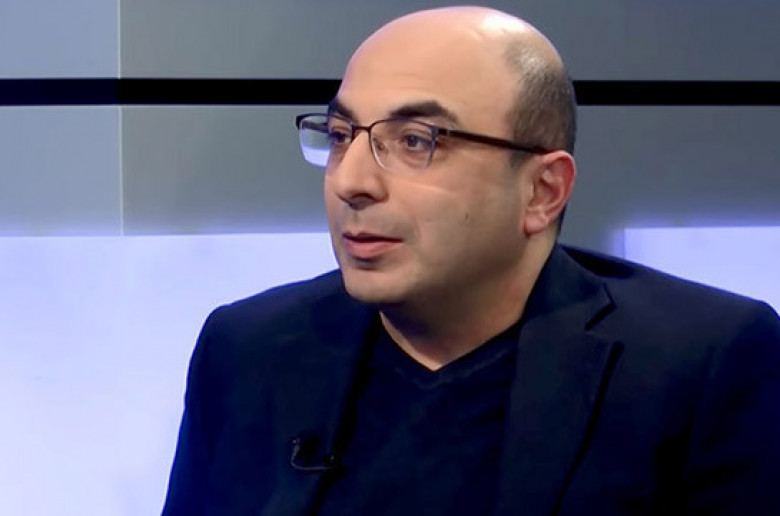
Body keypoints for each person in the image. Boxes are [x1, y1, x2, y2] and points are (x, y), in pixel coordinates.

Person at [161, 6, 780, 516]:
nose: (351, 182)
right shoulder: (247, 350)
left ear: (542, 191)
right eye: (342, 136)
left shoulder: (704, 365)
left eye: (415, 141)